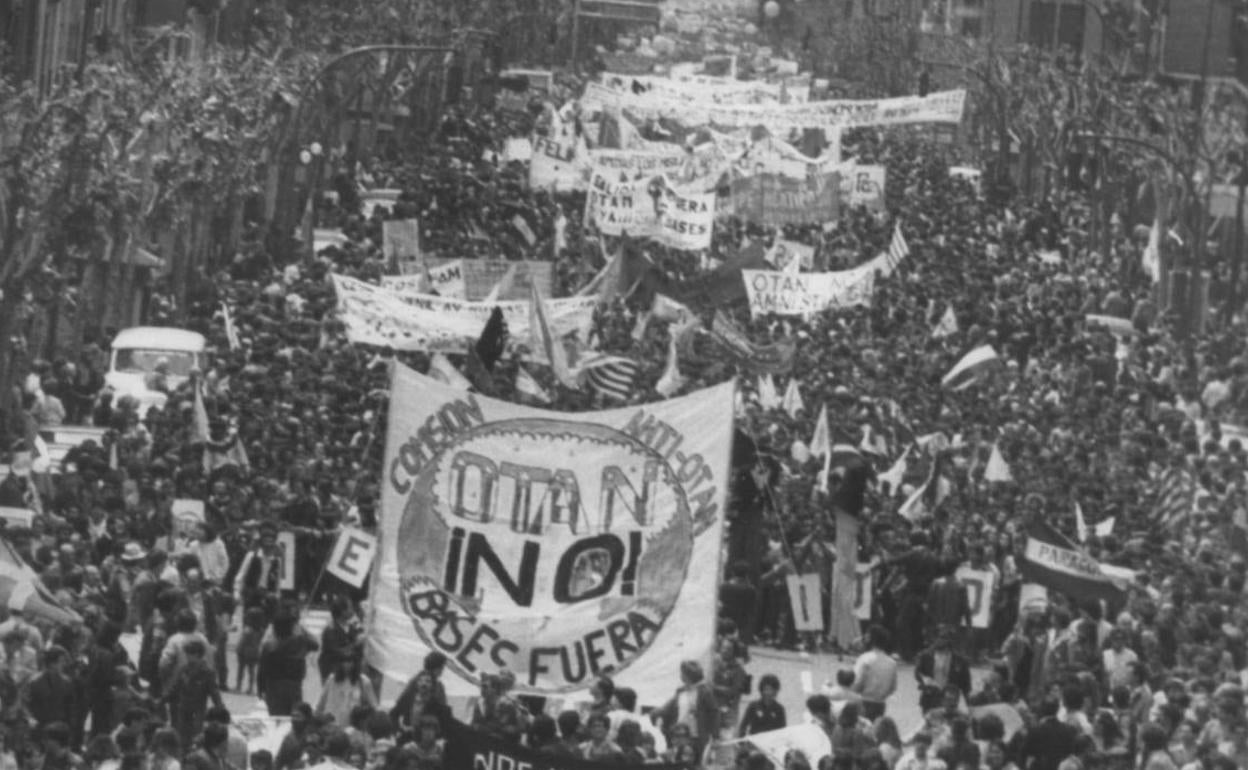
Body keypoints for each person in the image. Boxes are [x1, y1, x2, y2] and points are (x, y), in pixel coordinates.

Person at [164, 639, 224, 751]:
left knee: (196, 737)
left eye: (189, 653)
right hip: (183, 708)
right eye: (186, 653)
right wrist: (163, 699)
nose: (187, 656)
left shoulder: (207, 671)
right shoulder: (183, 669)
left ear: (197, 654)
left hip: (198, 710)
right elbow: (174, 687)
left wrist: (220, 707)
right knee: (181, 737)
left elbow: (214, 691)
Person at [257, 609, 318, 717]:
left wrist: (260, 688)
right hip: (294, 686)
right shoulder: (299, 641)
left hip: (273, 687)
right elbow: (315, 644)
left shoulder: (269, 645)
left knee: (276, 718)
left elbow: (262, 669)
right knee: (293, 718)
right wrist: (302, 630)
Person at [655, 660, 719, 756]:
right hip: (679, 735)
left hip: (696, 736)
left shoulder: (705, 692)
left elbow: (714, 714)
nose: (681, 675)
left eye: (682, 673)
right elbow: (669, 709)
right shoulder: (680, 691)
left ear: (688, 675)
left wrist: (715, 735)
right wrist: (659, 718)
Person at [391, 652, 449, 730]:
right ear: (438, 669)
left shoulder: (414, 681)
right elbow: (444, 715)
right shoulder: (438, 687)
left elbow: (396, 710)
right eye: (442, 668)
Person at [853, 625, 898, 720]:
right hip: (880, 703)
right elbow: (893, 688)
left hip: (864, 701)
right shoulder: (892, 663)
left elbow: (857, 683)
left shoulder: (865, 659)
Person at [316, 660, 378, 728]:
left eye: (350, 661)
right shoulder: (331, 680)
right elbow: (320, 706)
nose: (347, 665)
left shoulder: (364, 681)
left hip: (352, 729)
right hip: (330, 728)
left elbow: (374, 706)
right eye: (344, 661)